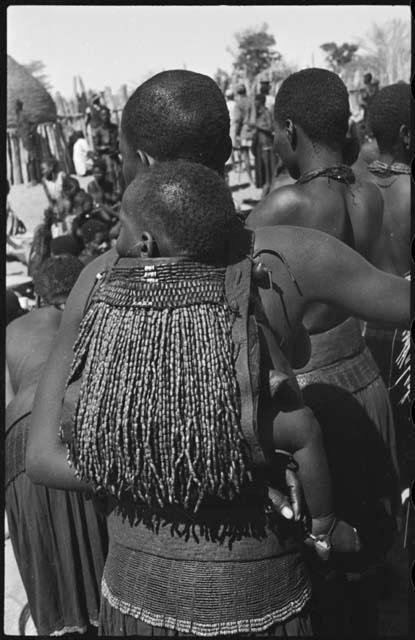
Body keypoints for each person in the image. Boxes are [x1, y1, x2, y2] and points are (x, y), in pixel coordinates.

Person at [26, 69, 409, 637]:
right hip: (267, 598)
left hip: (137, 600)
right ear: (229, 154)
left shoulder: (98, 281)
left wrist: (161, 459)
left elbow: (43, 458)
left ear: (145, 166)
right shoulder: (292, 258)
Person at [249, 67, 402, 635]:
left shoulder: (281, 208)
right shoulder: (367, 196)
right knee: (367, 534)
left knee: (321, 554)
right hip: (364, 375)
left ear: (289, 130)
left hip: (312, 391)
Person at [6, 256, 108, 636]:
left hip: (20, 442)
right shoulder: (94, 314)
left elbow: (7, 405)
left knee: (54, 595)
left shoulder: (15, 330)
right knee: (105, 583)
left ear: (38, 293)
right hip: (76, 426)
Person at [252, 93, 275, 197]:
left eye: (256, 100)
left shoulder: (266, 113)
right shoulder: (259, 113)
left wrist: (258, 126)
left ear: (259, 101)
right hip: (261, 147)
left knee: (268, 176)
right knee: (264, 173)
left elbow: (270, 128)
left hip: (267, 147)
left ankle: (266, 195)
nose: (254, 102)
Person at [92, 106, 120, 189]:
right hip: (105, 156)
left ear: (110, 115)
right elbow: (96, 147)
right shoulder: (98, 131)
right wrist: (104, 148)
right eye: (103, 115)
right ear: (100, 116)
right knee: (110, 171)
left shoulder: (114, 128)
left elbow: (118, 140)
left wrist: (117, 149)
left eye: (107, 114)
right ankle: (113, 190)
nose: (106, 117)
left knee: (121, 171)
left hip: (115, 154)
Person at [231, 84, 254, 183]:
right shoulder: (252, 101)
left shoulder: (238, 104)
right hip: (254, 131)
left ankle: (251, 180)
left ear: (237, 93)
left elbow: (237, 121)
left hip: (244, 132)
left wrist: (235, 135)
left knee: (246, 156)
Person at [15, 99, 41, 185]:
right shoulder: (18, 116)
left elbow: (35, 121)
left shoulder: (24, 114)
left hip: (29, 140)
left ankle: (35, 179)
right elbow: (20, 127)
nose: (14, 108)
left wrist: (31, 132)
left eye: (16, 106)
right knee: (30, 159)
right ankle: (35, 179)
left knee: (32, 159)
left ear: (19, 106)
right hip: (25, 140)